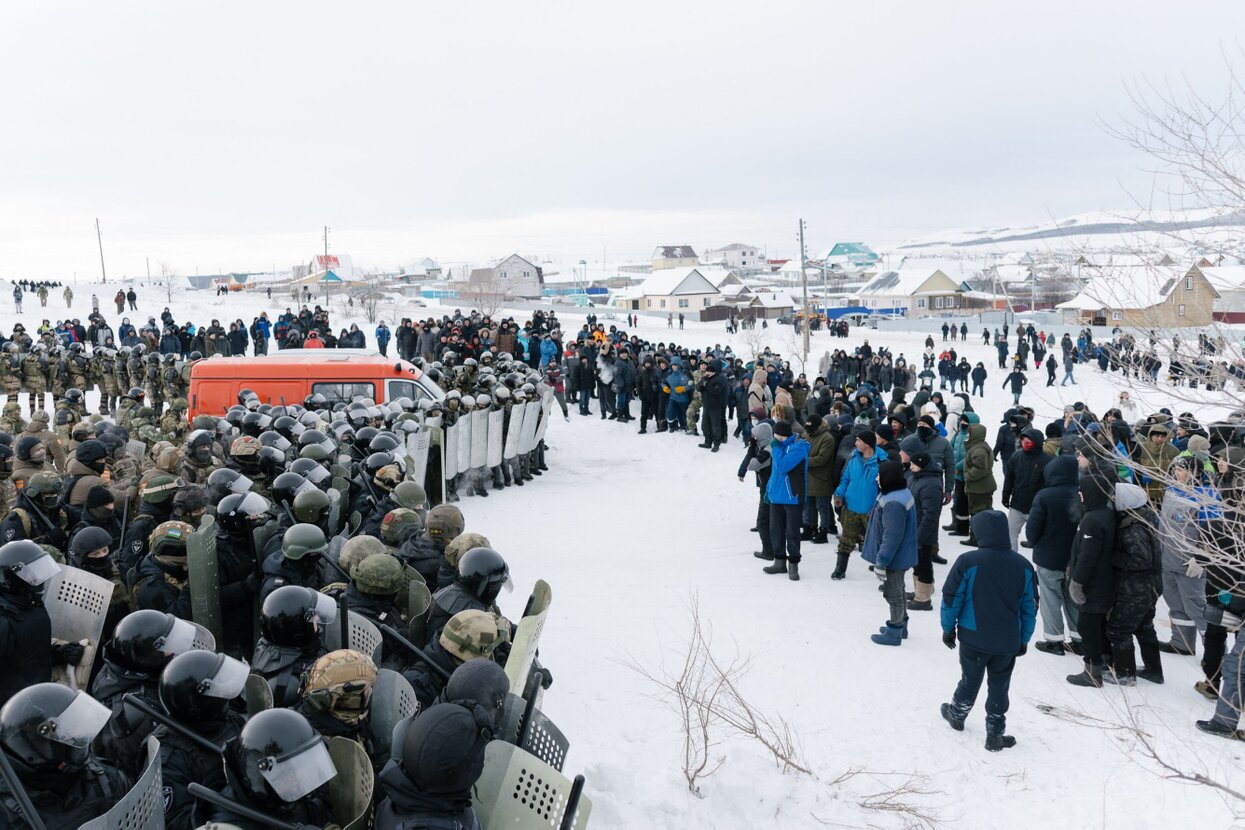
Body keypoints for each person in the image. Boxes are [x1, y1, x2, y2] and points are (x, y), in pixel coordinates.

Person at [939, 510, 1037, 751]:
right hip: (1006, 642)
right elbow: (1030, 607)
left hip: (973, 638)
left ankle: (957, 714)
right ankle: (994, 734)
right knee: (1000, 685)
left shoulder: (968, 561)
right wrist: (1023, 639)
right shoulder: (1023, 566)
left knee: (970, 679)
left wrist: (948, 628)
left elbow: (952, 598)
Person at [0, 684, 133, 827]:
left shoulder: (106, 779)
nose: (77, 736)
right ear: (37, 749)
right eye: (68, 732)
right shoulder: (6, 812)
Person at [1103, 482, 1164, 685]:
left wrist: (1112, 557)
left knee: (1118, 629)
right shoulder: (1147, 516)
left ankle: (1125, 674)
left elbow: (1140, 559)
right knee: (1144, 626)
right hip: (1152, 584)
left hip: (1137, 587)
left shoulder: (1133, 527)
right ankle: (1154, 670)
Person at [1024, 455, 1083, 655]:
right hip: (1076, 558)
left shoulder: (1045, 495)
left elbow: (1032, 529)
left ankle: (1053, 640)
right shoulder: (1082, 493)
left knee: (1050, 598)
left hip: (1049, 556)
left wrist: (1033, 540)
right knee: (1074, 597)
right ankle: (1079, 638)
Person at [1066, 471, 1118, 687]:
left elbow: (1088, 556)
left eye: (1082, 491)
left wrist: (1077, 583)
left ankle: (1092, 671)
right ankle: (1105, 661)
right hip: (1103, 580)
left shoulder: (1093, 520)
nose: (1079, 495)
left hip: (1094, 584)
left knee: (1087, 626)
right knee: (1096, 625)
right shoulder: (1104, 513)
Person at [864, 459, 918, 645]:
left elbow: (892, 536)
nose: (877, 477)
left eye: (880, 474)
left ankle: (895, 631)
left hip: (895, 557)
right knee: (899, 590)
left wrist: (881, 562)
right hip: (900, 554)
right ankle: (901, 626)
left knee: (893, 593)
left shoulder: (894, 502)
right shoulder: (897, 492)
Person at [833, 429, 886, 580]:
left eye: (858, 441)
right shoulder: (853, 458)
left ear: (867, 444)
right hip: (851, 508)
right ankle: (840, 569)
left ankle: (882, 570)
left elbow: (886, 488)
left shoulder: (881, 462)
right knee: (846, 540)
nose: (855, 443)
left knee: (878, 541)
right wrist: (839, 494)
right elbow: (845, 479)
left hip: (872, 510)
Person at [762, 420, 809, 580]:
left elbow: (782, 466)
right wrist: (769, 490)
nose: (774, 438)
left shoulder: (799, 447)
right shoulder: (779, 447)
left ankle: (793, 565)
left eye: (776, 435)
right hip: (777, 497)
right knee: (775, 530)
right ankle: (779, 562)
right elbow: (774, 473)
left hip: (792, 497)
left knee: (793, 532)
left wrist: (775, 448)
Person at [1001, 427, 1049, 551]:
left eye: (1028, 441)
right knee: (1009, 535)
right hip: (1017, 505)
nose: (1025, 443)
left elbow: (1050, 485)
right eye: (1023, 440)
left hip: (1036, 508)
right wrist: (1005, 495)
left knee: (1040, 538)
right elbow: (1009, 478)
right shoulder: (1016, 456)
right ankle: (1011, 561)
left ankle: (1041, 567)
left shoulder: (1048, 461)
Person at [906, 450, 944, 611]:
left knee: (923, 564)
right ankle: (918, 591)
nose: (910, 466)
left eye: (913, 464)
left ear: (921, 465)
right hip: (914, 528)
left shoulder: (931, 484)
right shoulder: (916, 477)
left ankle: (923, 599)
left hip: (923, 532)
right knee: (917, 562)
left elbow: (930, 515)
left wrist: (919, 537)